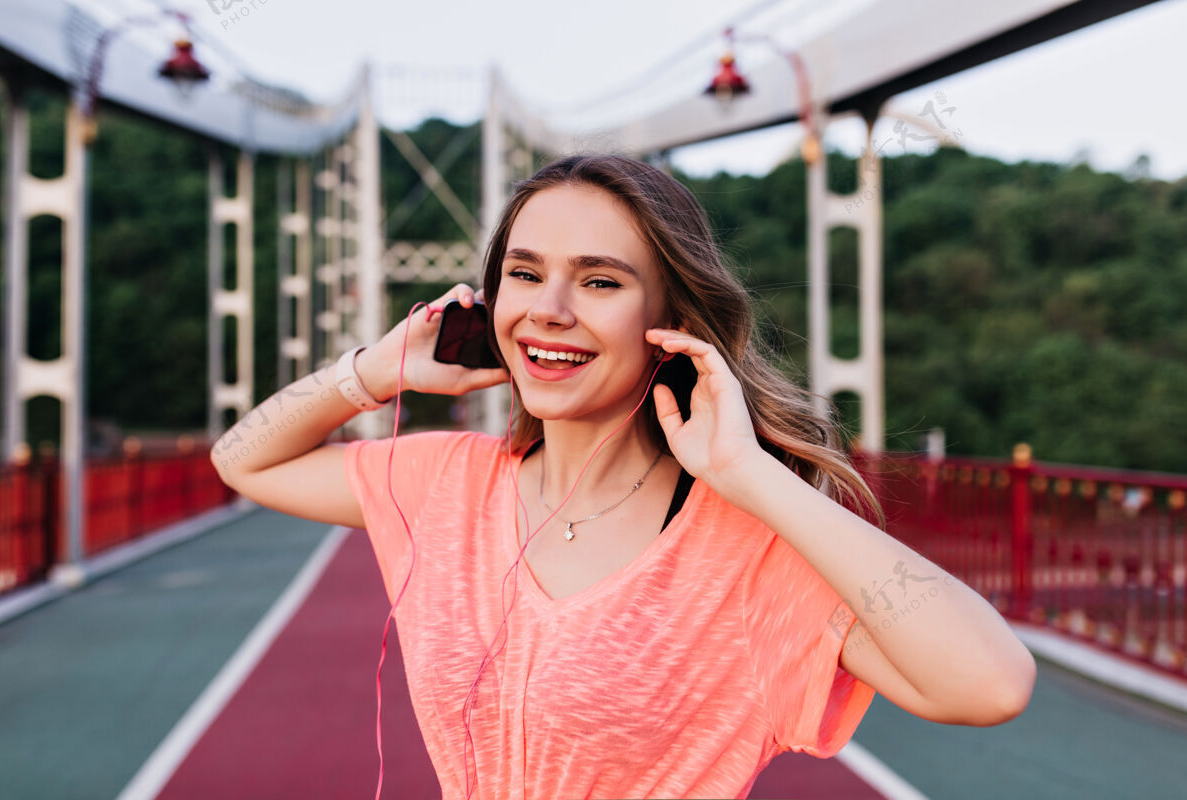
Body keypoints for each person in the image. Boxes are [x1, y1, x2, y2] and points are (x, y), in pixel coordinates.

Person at [211, 154, 1035, 800]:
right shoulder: (446, 487)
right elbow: (243, 457)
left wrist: (753, 476)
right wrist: (373, 371)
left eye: (600, 282)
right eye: (525, 274)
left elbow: (991, 684)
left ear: (670, 322)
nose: (550, 309)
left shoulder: (742, 552)